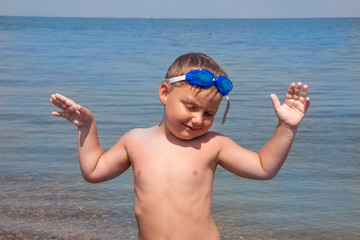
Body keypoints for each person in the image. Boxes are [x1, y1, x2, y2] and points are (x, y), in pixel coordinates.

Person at [50, 52, 310, 240]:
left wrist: (286, 127)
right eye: (191, 107)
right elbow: (93, 172)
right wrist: (87, 128)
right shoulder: (135, 141)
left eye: (209, 113)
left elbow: (264, 167)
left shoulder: (213, 144)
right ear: (165, 93)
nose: (198, 119)